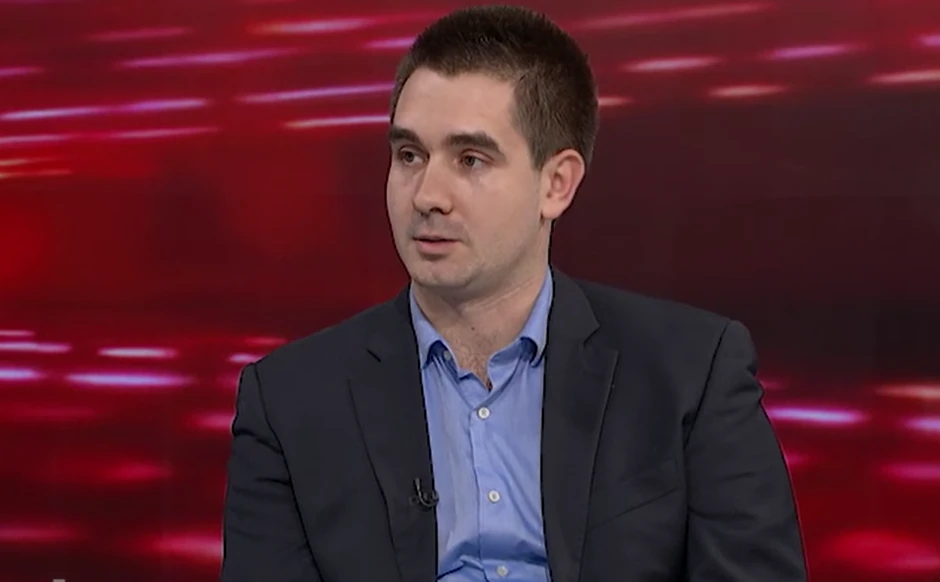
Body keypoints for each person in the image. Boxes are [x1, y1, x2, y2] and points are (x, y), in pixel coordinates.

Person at [220, 5, 807, 581]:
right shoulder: (289, 402)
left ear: (556, 184)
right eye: (409, 155)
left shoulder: (692, 374)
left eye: (470, 159)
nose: (427, 195)